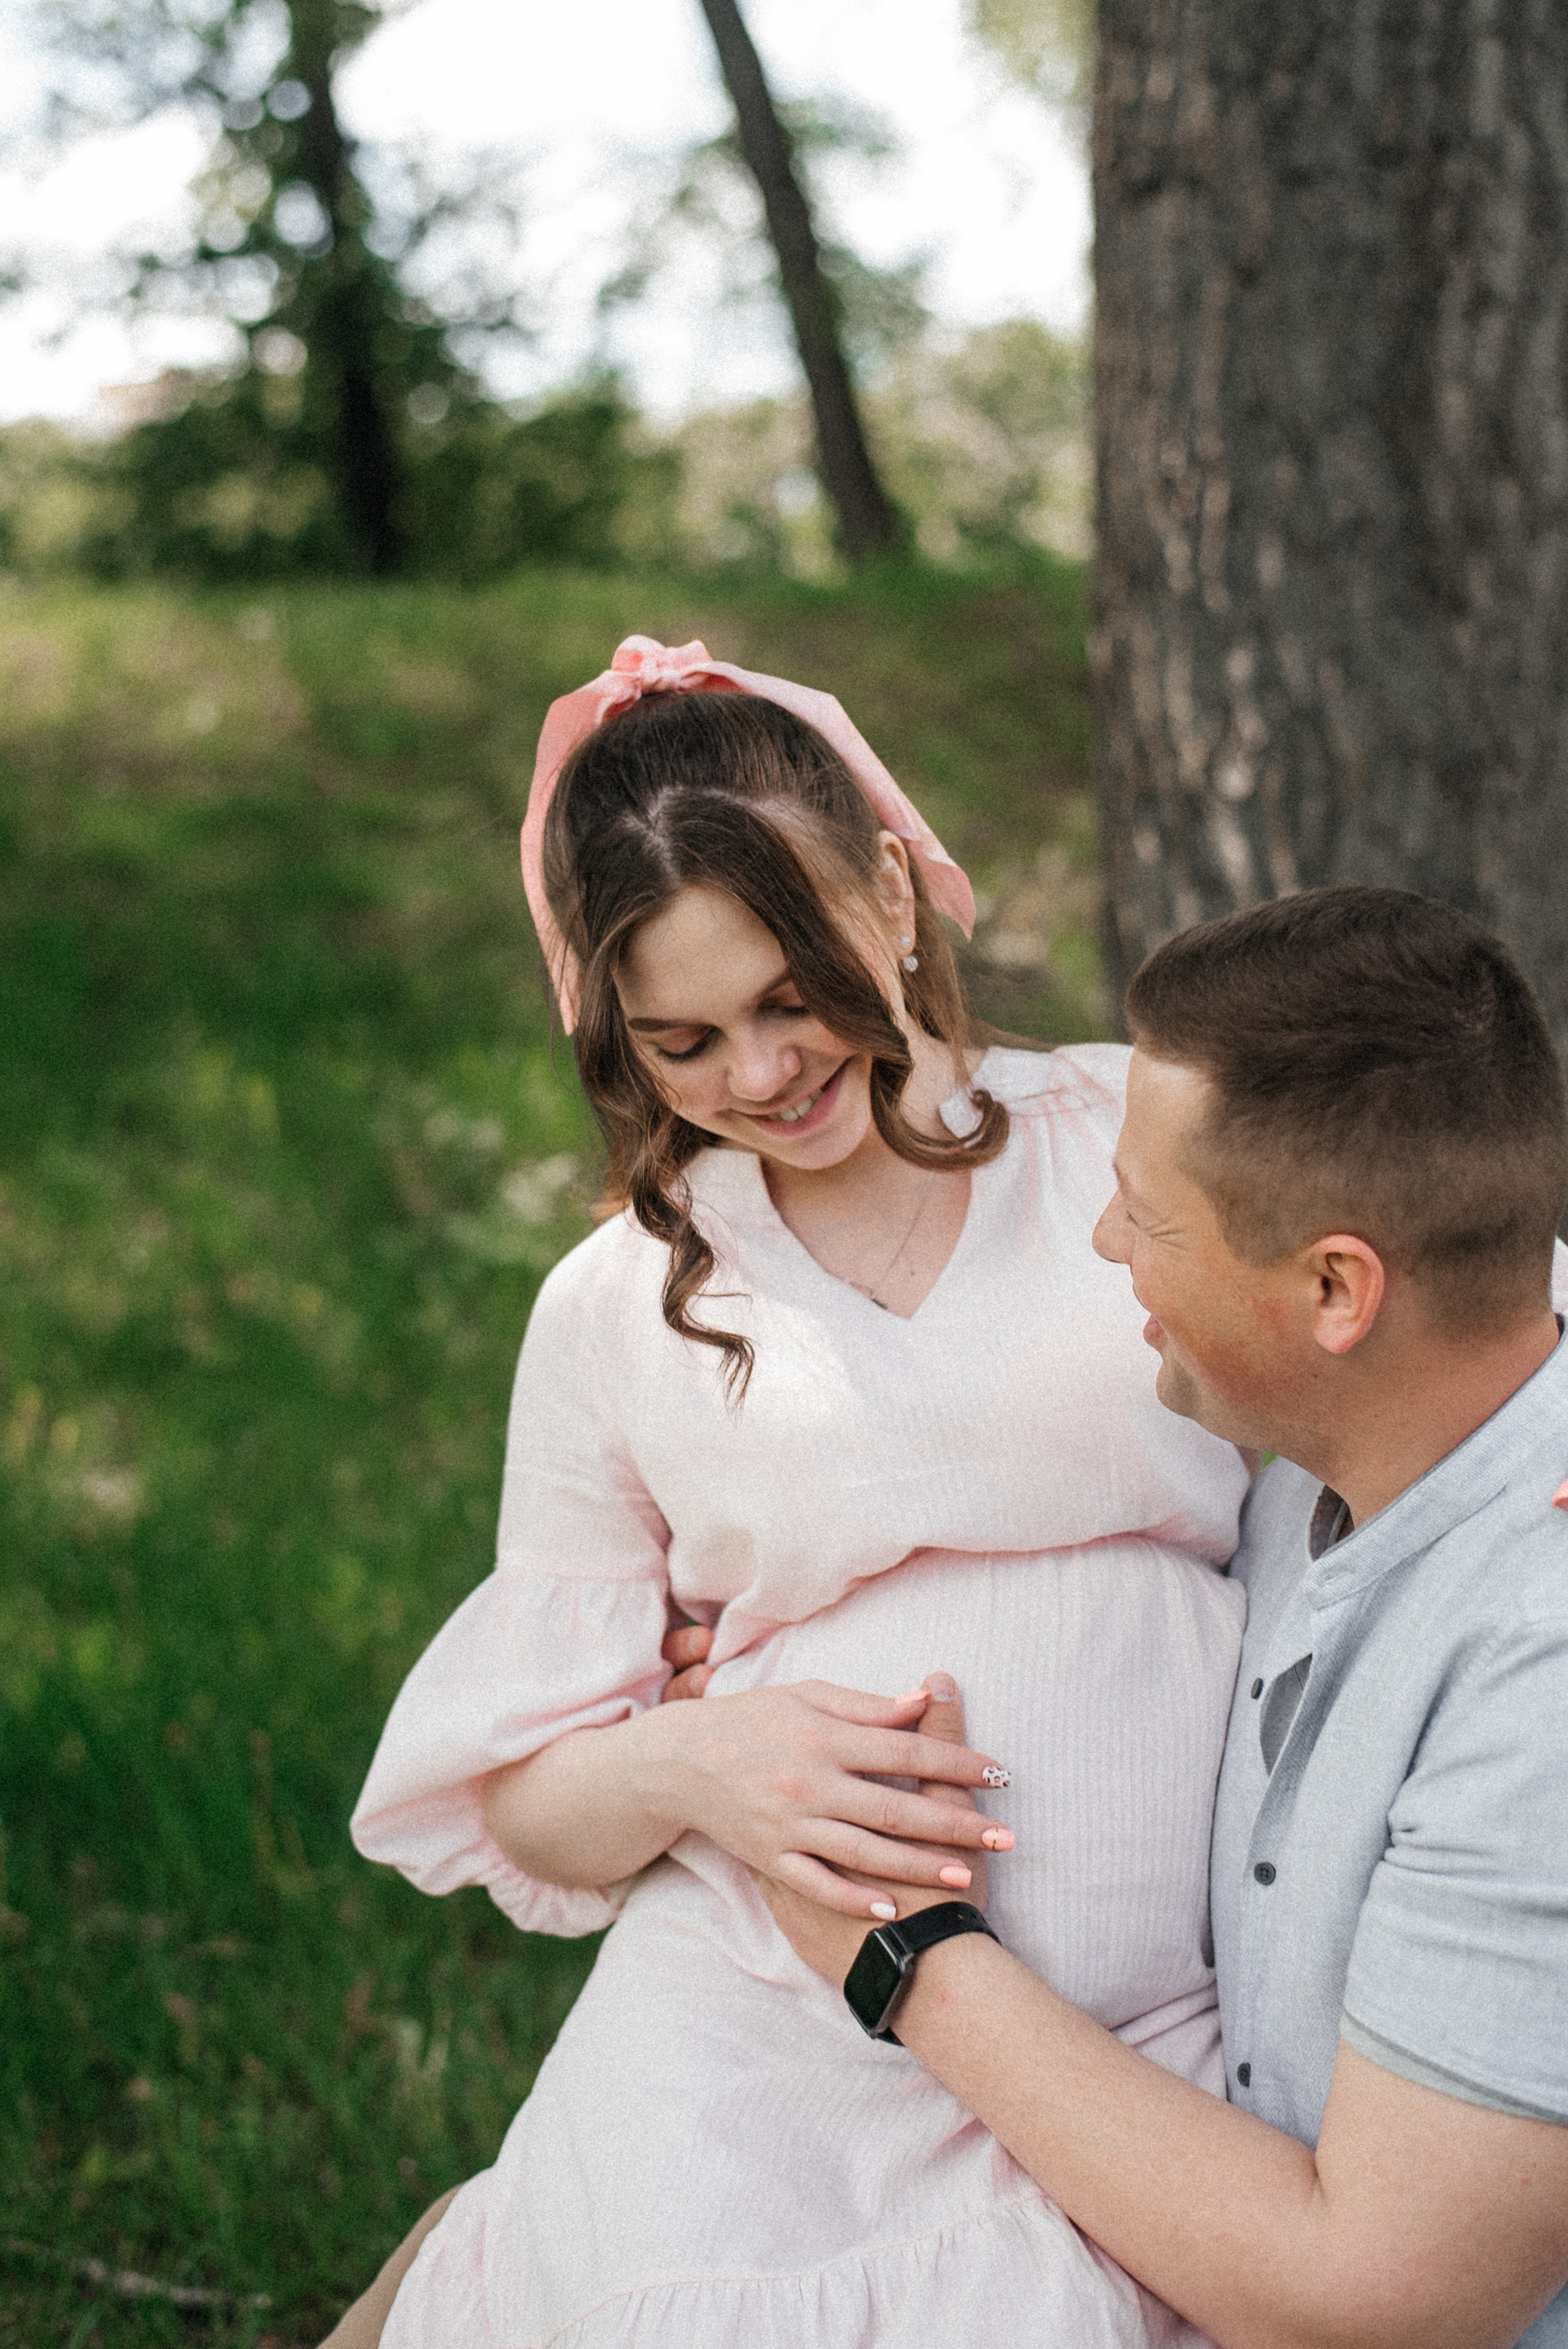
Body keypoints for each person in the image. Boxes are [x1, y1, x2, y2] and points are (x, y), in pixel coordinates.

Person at [328, 636, 1253, 2348]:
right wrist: (702, 1759)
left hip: (1147, 2021)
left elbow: (1440, 1322)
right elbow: (530, 1800)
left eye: (790, 990)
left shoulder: (1130, 1135)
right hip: (760, 2008)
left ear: (894, 890)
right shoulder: (620, 1303)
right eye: (681, 1038)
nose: (759, 1076)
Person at [760, 887, 1568, 2349]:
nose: (1102, 1240)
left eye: (1148, 1212)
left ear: (1336, 1288)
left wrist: (904, 1953)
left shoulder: (1539, 1678)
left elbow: (1380, 2308)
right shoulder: (1422, 1380)